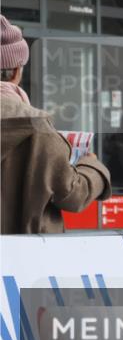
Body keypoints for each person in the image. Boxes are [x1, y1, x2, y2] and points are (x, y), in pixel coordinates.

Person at [1, 16, 112, 234]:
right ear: (16, 71)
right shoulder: (38, 128)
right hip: (26, 260)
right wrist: (92, 166)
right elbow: (72, 194)